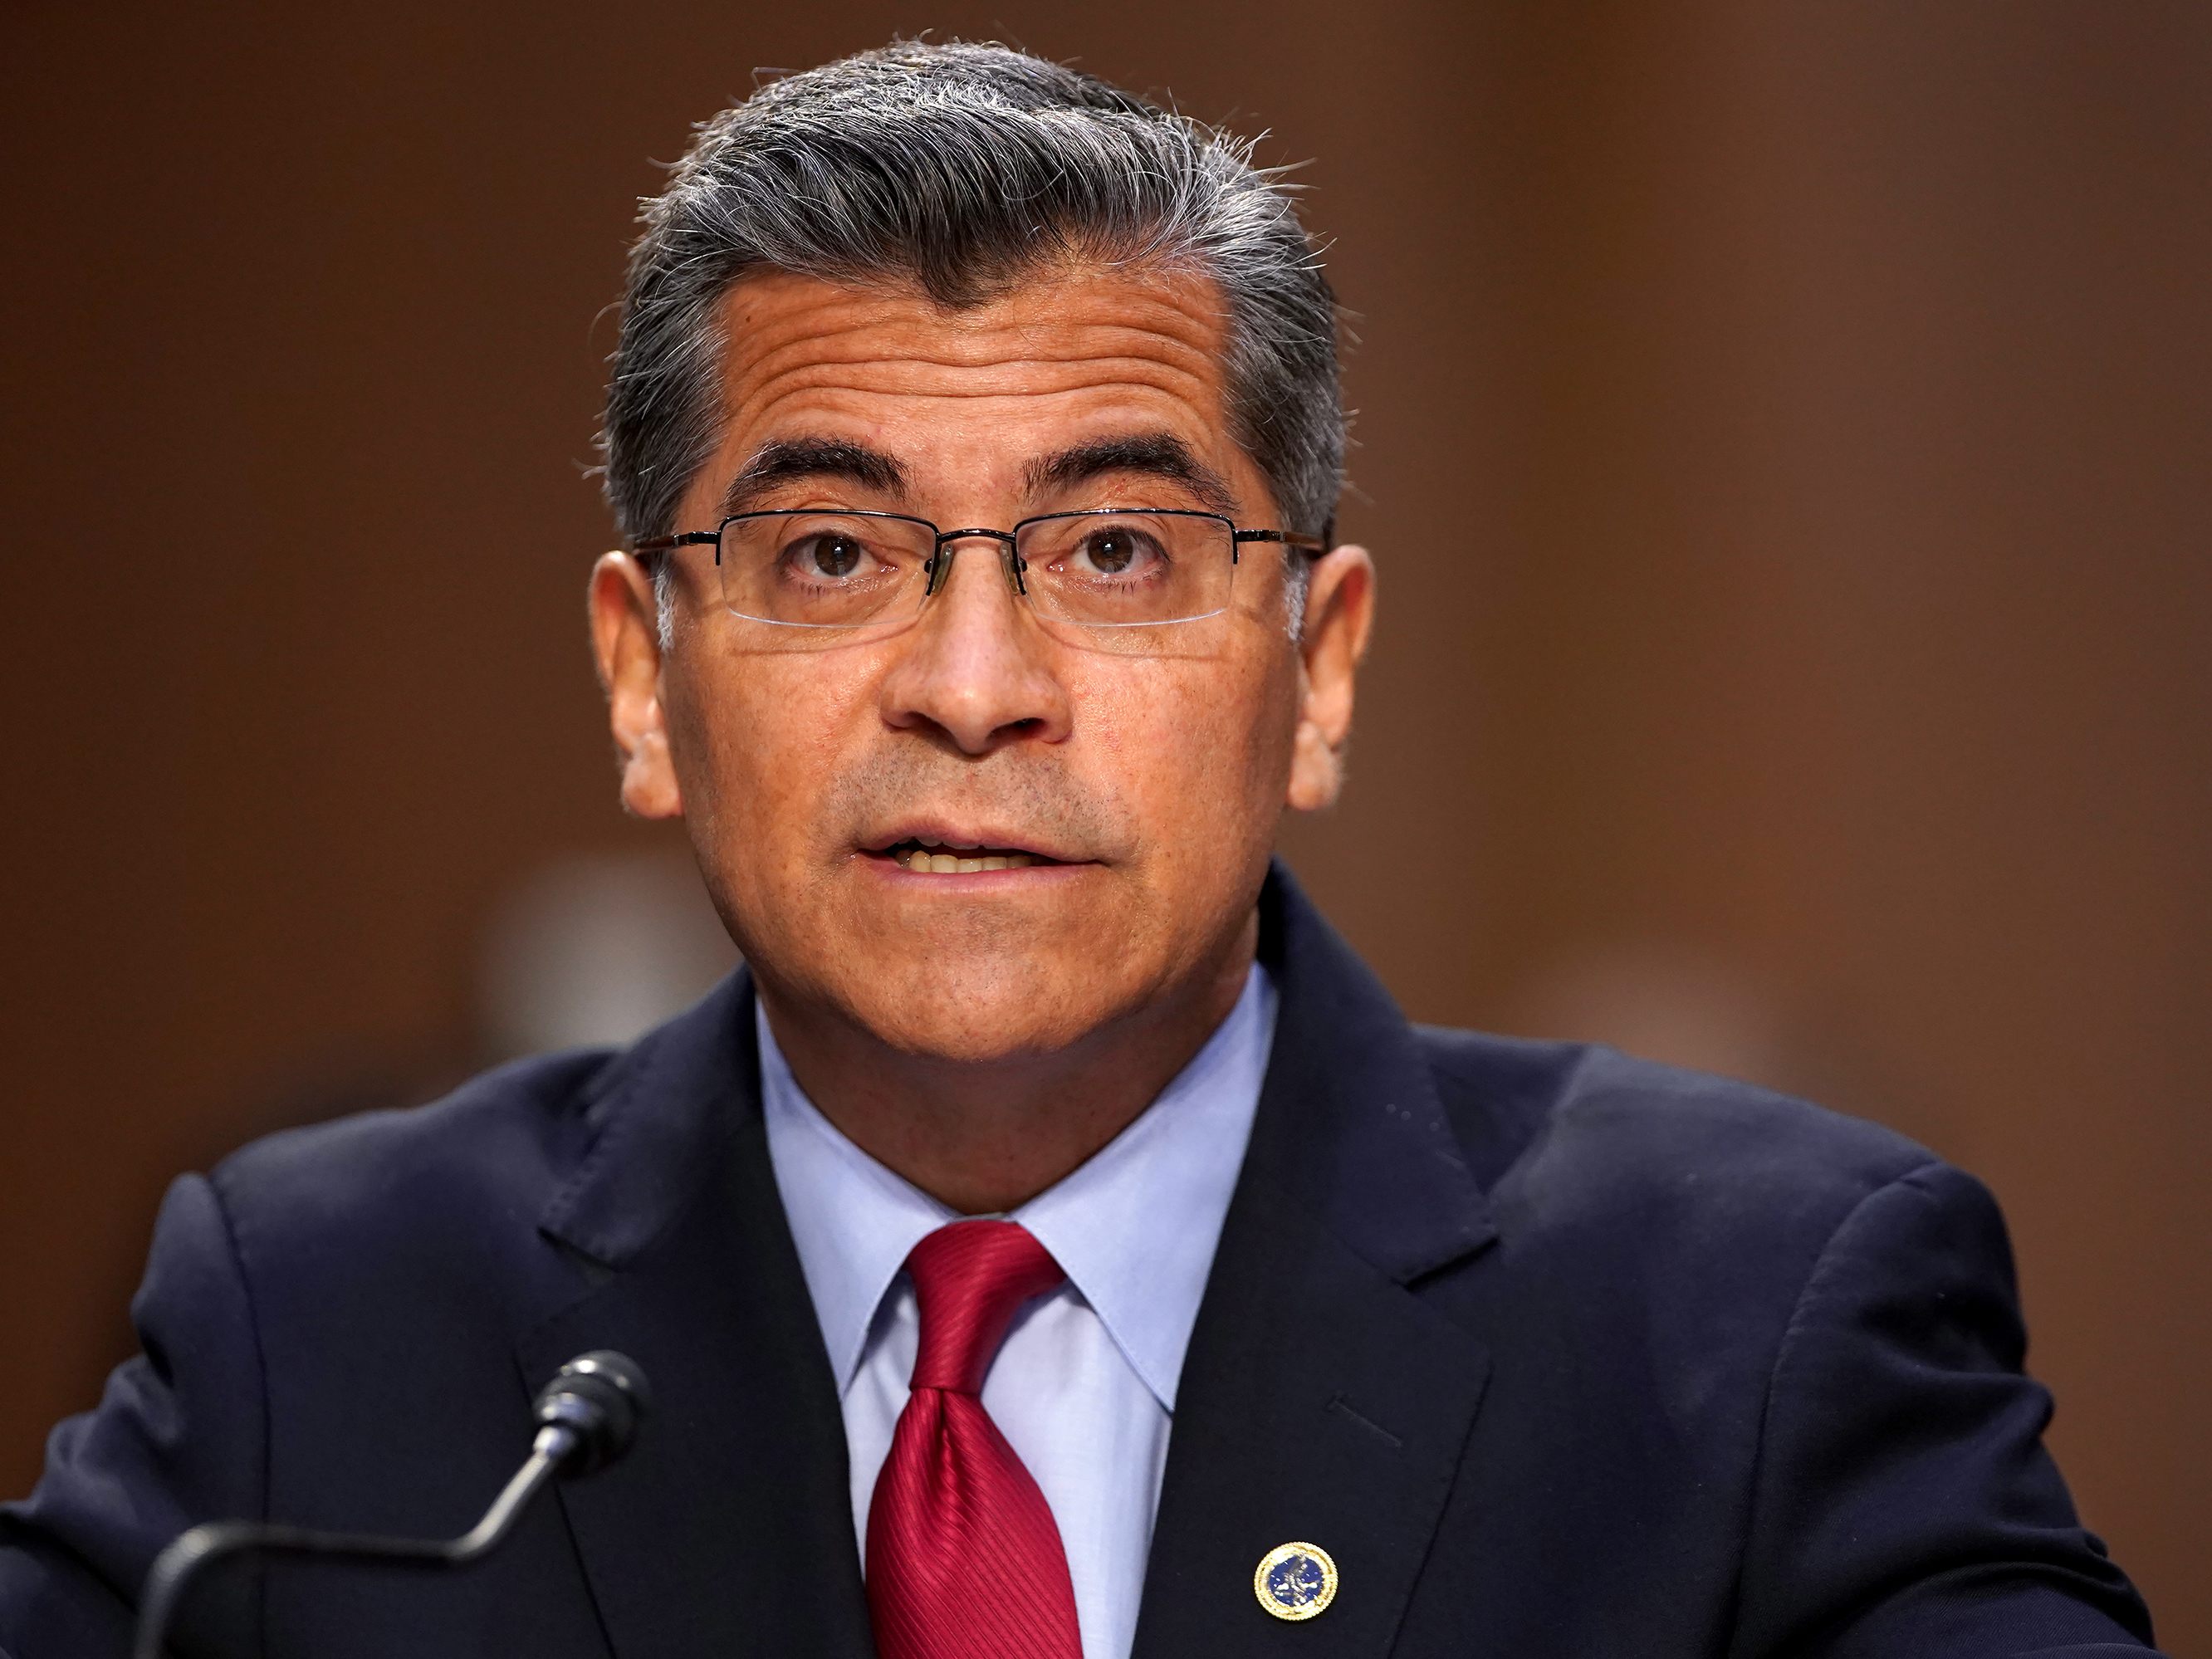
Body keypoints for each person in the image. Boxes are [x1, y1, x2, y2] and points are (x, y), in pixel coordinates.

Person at [0, 39, 2161, 1659]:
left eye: (1115, 549)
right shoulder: (320, 1329)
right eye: (833, 550)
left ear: (1314, 668)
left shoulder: (1755, 1322)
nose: (972, 681)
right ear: (647, 680)